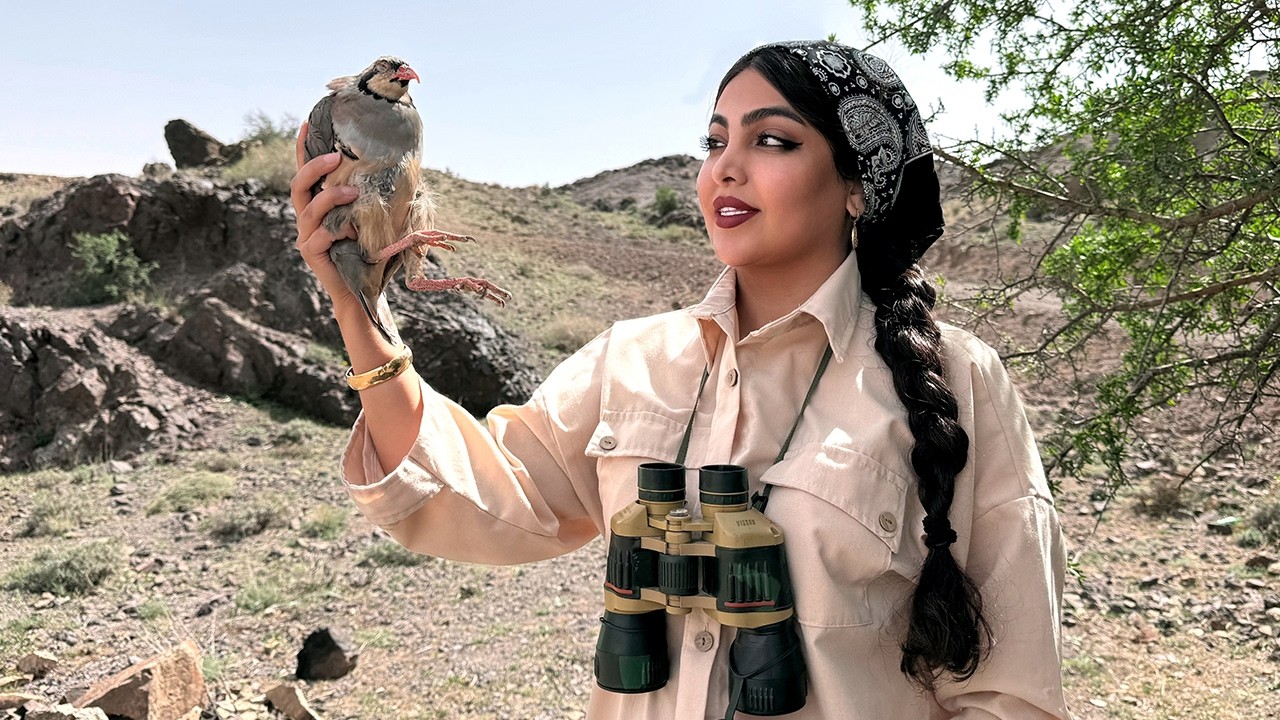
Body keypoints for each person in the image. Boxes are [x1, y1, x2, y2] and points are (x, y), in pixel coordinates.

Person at [291, 40, 1070, 720]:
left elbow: (1010, 694)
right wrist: (359, 304)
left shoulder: (956, 381)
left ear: (858, 186)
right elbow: (478, 496)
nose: (725, 168)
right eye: (715, 140)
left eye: (772, 140)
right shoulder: (629, 359)